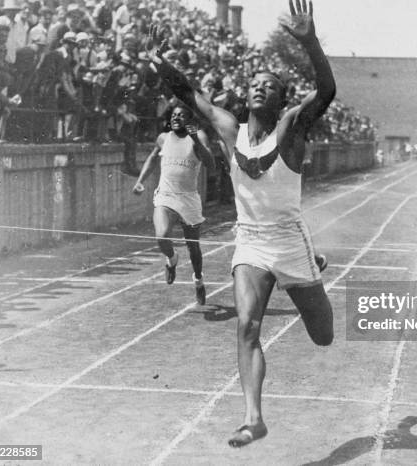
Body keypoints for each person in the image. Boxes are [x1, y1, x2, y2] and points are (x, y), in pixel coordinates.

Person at [146, 0, 334, 447]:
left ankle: (315, 268)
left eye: (269, 86)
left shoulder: (291, 126)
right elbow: (189, 94)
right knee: (247, 325)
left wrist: (309, 42)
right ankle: (254, 418)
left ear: (281, 98)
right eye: (254, 83)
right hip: (250, 243)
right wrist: (159, 63)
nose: (259, 89)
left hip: (290, 242)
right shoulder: (229, 129)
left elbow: (324, 91)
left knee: (323, 335)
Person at [132, 105, 214, 305]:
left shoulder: (199, 136)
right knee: (161, 236)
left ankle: (198, 280)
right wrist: (140, 180)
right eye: (174, 115)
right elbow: (152, 158)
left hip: (188, 199)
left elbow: (210, 163)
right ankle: (171, 259)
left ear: (189, 120)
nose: (177, 117)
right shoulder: (163, 138)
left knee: (194, 249)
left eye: (182, 115)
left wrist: (195, 139)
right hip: (165, 196)